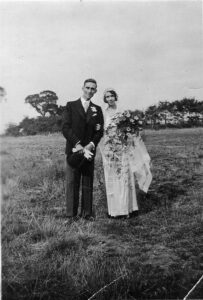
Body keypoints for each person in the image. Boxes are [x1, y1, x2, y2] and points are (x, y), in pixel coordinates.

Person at [99, 88, 152, 218]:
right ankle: (115, 211)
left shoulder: (123, 112)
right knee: (112, 178)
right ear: (105, 99)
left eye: (111, 96)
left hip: (123, 148)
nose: (110, 98)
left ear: (115, 97)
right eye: (107, 97)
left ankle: (128, 209)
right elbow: (102, 131)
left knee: (124, 177)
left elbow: (130, 130)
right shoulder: (104, 113)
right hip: (110, 150)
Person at [62, 79, 104, 221]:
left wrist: (91, 145)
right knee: (72, 183)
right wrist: (78, 144)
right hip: (74, 151)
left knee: (87, 182)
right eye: (88, 87)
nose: (90, 90)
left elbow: (99, 131)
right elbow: (65, 128)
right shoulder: (71, 106)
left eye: (93, 88)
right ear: (82, 88)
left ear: (95, 91)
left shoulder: (97, 109)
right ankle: (71, 215)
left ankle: (86, 214)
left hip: (89, 152)